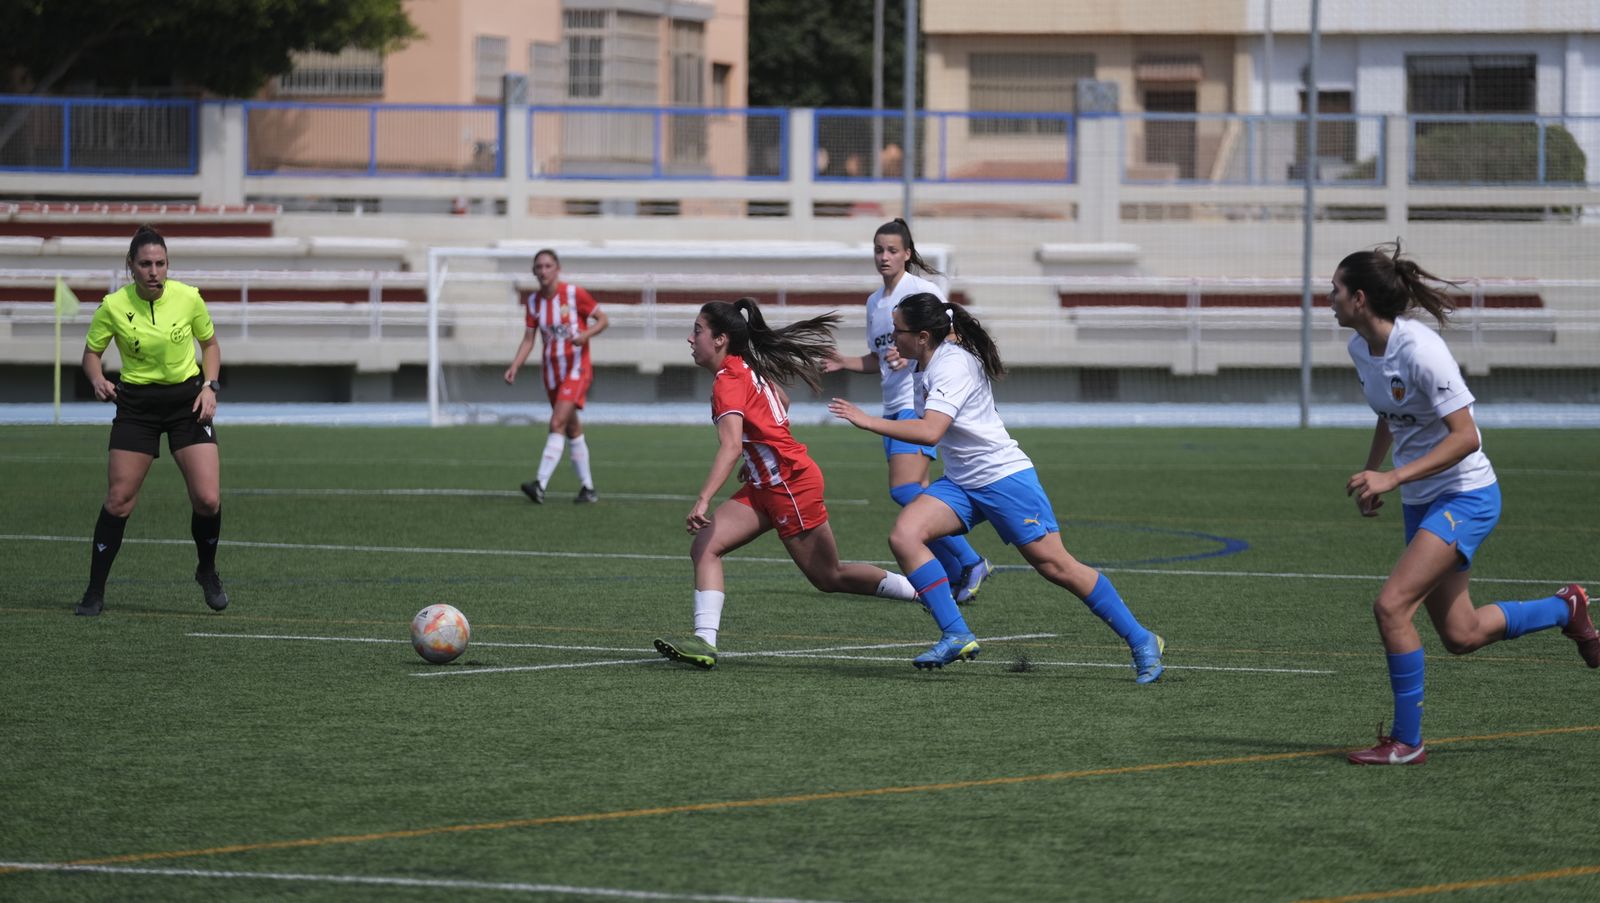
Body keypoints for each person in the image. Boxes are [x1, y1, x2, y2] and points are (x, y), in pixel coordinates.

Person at [1331, 241, 1597, 766]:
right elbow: (1389, 413)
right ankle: (1564, 608)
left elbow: (1466, 436)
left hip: (1467, 496)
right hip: (1423, 501)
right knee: (1462, 634)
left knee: (1390, 607)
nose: (1328, 299)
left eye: (1335, 290)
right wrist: (1374, 476)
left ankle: (1407, 742)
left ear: (1359, 299)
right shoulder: (1361, 350)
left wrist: (1393, 477)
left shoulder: (1421, 349)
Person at [828, 293, 1166, 678]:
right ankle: (956, 634)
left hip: (1003, 478)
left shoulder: (951, 365)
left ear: (922, 336)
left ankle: (1142, 639)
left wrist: (867, 420)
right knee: (905, 535)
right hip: (962, 482)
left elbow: (930, 430)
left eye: (897, 332)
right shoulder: (927, 359)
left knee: (1056, 566)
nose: (891, 338)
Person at [654, 297, 922, 670]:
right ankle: (704, 641)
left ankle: (926, 590)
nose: (690, 338)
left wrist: (703, 499)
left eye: (697, 330)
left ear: (719, 340)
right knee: (705, 547)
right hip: (767, 483)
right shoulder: (745, 368)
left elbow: (731, 446)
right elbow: (780, 402)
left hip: (789, 484)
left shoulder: (729, 380)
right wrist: (759, 455)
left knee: (829, 576)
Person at [825, 218, 993, 604]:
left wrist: (917, 355)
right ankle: (957, 571)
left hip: (917, 406)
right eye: (878, 250)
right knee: (912, 491)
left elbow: (952, 339)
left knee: (905, 491)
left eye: (892, 250)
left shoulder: (922, 291)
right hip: (892, 407)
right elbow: (881, 358)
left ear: (908, 254)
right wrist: (844, 361)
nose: (884, 257)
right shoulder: (874, 302)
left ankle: (969, 563)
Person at [75, 225, 228, 616]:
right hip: (137, 407)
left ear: (168, 265)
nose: (154, 271)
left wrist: (209, 386)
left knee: (208, 500)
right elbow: (92, 354)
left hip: (187, 402)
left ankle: (207, 571)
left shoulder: (189, 298)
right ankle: (94, 590)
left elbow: (209, 345)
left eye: (160, 263)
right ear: (131, 267)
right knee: (119, 500)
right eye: (145, 264)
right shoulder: (113, 306)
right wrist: (96, 379)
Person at [504, 248, 608, 504]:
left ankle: (540, 484)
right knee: (571, 428)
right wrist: (515, 365)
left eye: (548, 266)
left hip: (576, 369)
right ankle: (588, 489)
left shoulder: (574, 294)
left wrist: (585, 335)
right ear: (533, 271)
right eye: (539, 267)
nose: (543, 271)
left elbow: (603, 319)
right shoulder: (533, 303)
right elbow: (529, 339)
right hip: (551, 373)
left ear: (557, 268)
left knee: (556, 423)